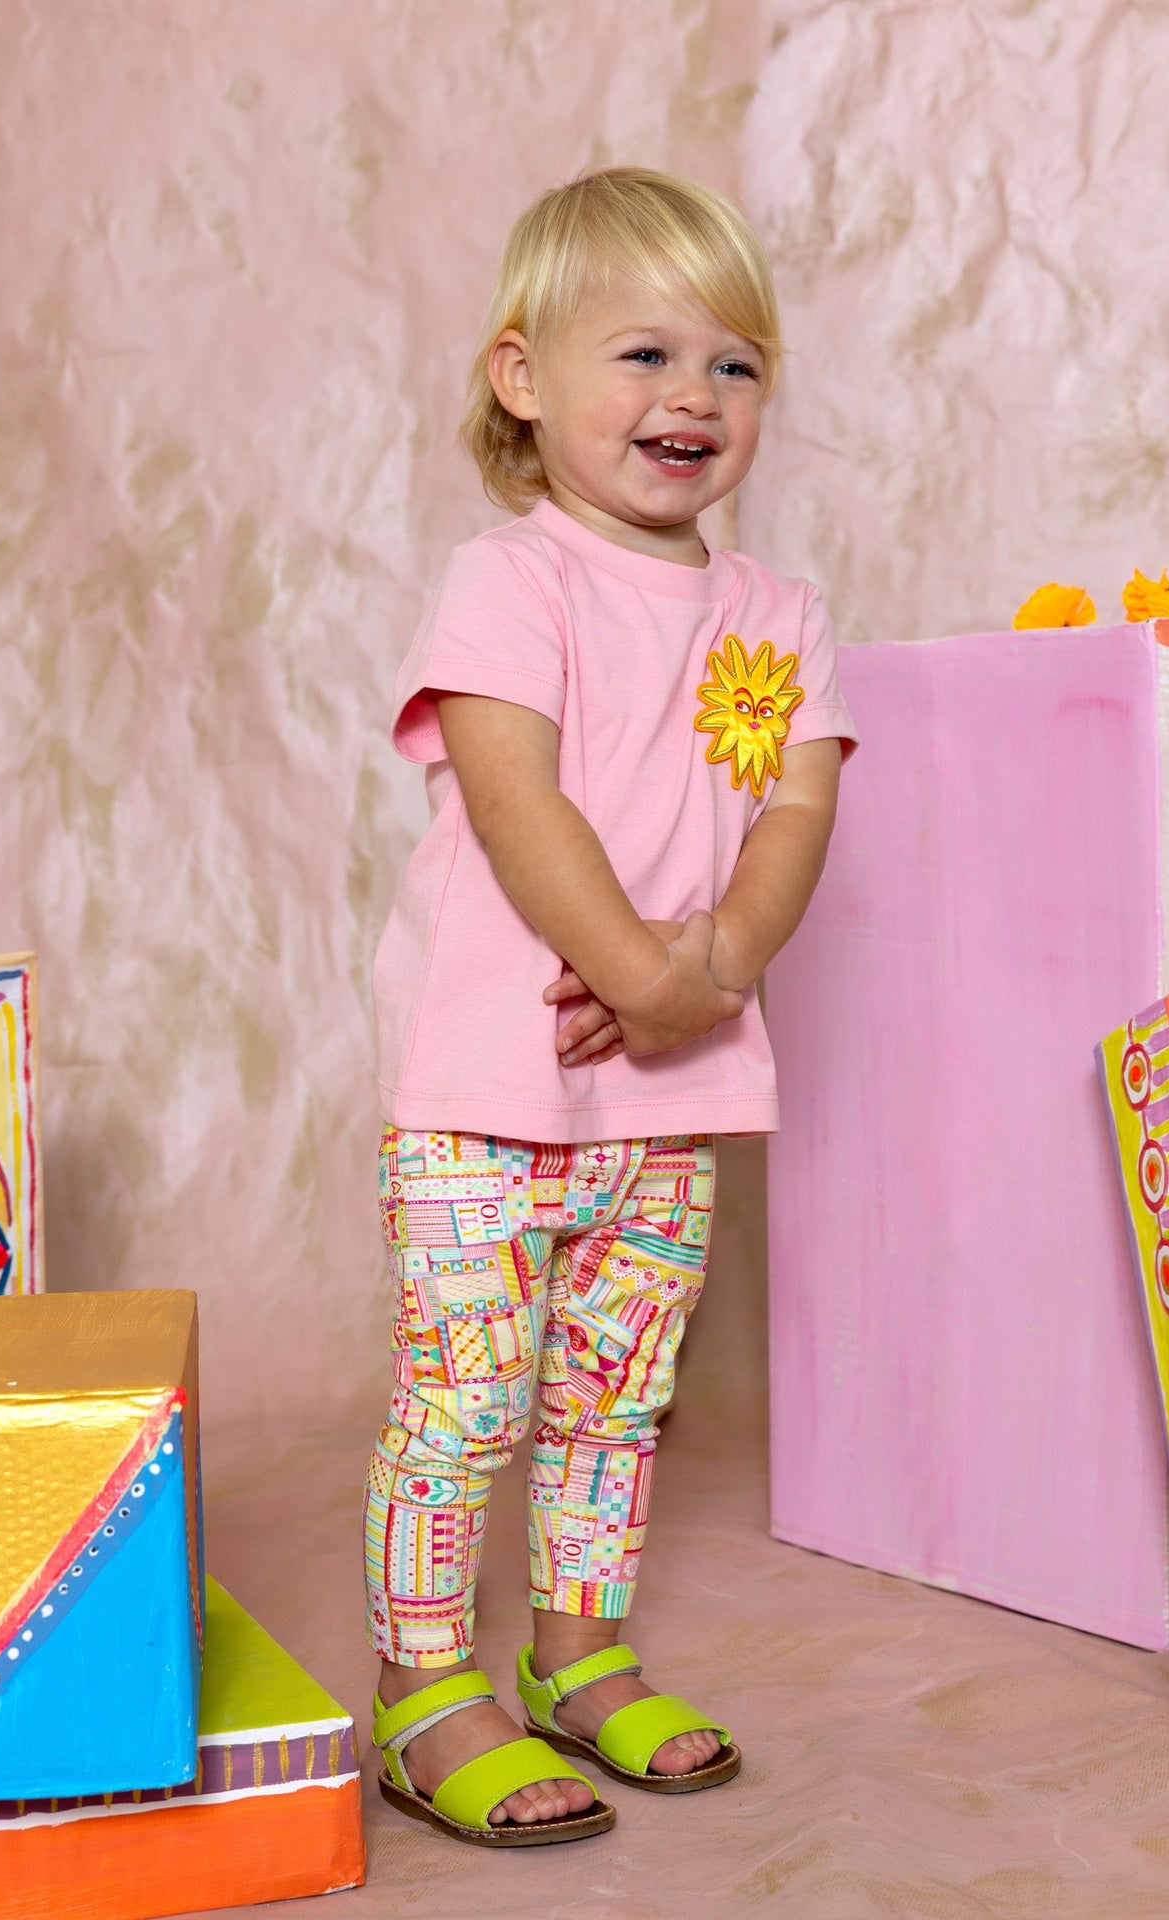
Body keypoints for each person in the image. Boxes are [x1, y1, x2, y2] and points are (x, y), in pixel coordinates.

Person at [365, 165, 858, 1848]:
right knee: (467, 1393)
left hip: (672, 1083)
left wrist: (706, 979)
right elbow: (519, 802)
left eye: (733, 364)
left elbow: (794, 812)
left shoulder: (777, 614)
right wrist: (643, 976)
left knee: (615, 1389)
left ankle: (575, 1655)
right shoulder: (512, 580)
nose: (690, 396)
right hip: (488, 1083)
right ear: (523, 376)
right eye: (643, 354)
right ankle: (424, 1686)